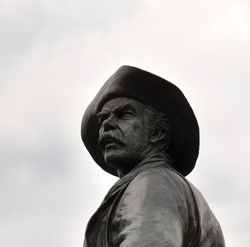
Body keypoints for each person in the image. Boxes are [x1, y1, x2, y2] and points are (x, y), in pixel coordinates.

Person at [81, 66, 225, 247]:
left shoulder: (154, 183)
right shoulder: (158, 183)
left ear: (157, 133)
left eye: (124, 114)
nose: (107, 124)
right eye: (103, 119)